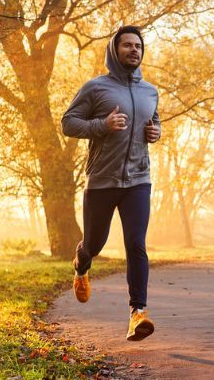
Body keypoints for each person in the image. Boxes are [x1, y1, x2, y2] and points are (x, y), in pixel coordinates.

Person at [61, 25, 161, 341]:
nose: (134, 50)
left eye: (138, 46)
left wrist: (156, 133)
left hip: (138, 180)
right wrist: (102, 125)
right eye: (127, 45)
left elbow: (154, 121)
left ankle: (138, 313)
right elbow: (68, 123)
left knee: (136, 244)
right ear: (114, 51)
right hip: (102, 180)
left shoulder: (150, 91)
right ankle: (81, 266)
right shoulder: (96, 88)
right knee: (94, 243)